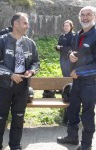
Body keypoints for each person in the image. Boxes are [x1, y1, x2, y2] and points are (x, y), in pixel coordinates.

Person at [0, 12, 40, 150]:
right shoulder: (1, 41)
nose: (27, 25)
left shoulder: (30, 43)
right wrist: (10, 75)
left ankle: (15, 145)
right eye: (25, 23)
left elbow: (36, 62)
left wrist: (32, 71)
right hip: (4, 85)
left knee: (18, 118)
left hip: (22, 86)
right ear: (15, 24)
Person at [57, 6, 96, 150]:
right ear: (79, 17)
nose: (85, 18)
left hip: (90, 83)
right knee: (72, 110)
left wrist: (80, 71)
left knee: (87, 114)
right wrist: (69, 55)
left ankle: (86, 145)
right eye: (82, 15)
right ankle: (72, 137)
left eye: (89, 15)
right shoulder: (77, 35)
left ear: (95, 17)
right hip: (76, 82)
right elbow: (71, 51)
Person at [56, 20, 75, 125]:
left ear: (71, 27)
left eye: (67, 25)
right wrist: (57, 47)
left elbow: (71, 48)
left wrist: (61, 48)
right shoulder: (62, 36)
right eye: (64, 25)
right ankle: (66, 90)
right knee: (64, 75)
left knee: (68, 76)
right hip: (62, 58)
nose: (65, 27)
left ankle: (69, 93)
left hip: (69, 59)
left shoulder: (73, 36)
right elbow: (59, 45)